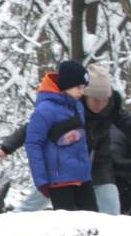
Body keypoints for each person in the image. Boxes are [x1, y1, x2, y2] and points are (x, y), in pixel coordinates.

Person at [81, 67, 131, 214]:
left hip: (99, 164)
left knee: (111, 208)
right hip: (67, 164)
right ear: (85, 96)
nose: (100, 105)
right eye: (95, 100)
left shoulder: (111, 107)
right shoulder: (71, 107)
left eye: (104, 100)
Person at [25, 60, 96, 212]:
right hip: (59, 180)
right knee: (69, 223)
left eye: (84, 87)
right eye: (78, 87)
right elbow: (33, 144)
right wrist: (41, 180)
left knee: (93, 220)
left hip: (82, 178)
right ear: (66, 85)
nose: (82, 92)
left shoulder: (78, 107)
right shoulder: (45, 110)